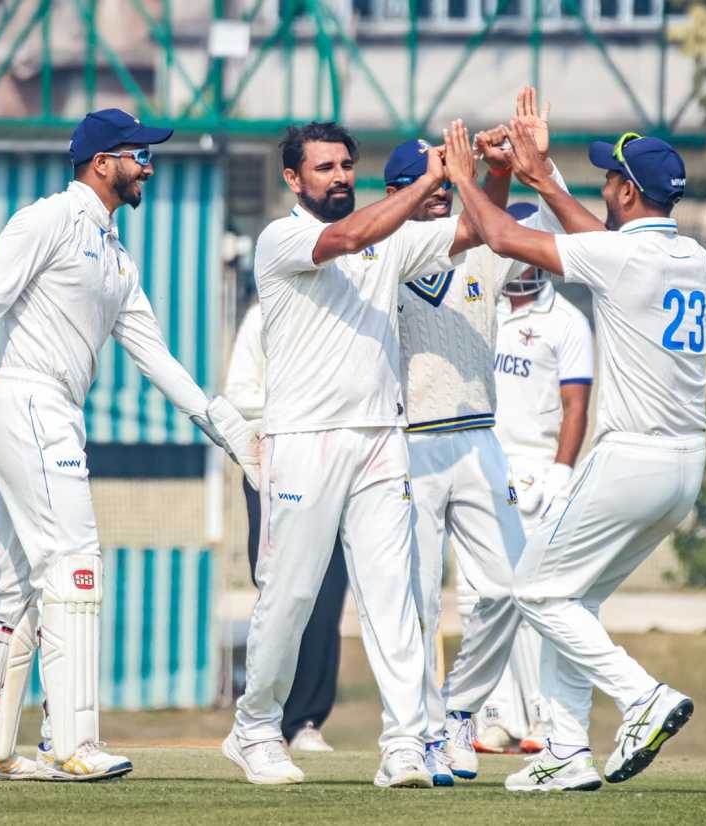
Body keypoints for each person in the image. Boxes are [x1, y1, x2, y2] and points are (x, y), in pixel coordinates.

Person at [0, 109, 257, 782]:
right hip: (27, 401)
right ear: (102, 162)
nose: (148, 167)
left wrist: (230, 430)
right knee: (74, 563)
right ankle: (71, 741)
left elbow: (155, 357)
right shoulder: (46, 220)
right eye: (139, 156)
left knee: (14, 580)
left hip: (54, 412)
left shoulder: (116, 257)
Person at [223, 120, 493, 789]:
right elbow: (348, 238)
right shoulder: (282, 238)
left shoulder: (391, 240)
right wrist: (434, 177)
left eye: (347, 166)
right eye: (324, 168)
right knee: (290, 596)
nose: (339, 177)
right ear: (294, 178)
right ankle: (255, 727)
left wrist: (481, 170)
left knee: (393, 596)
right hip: (302, 441)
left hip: (379, 439)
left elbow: (473, 232)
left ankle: (404, 742)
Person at [441, 118, 706, 791]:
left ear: (622, 191)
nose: (605, 185)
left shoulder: (620, 258)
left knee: (532, 588)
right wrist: (543, 178)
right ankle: (565, 751)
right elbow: (600, 246)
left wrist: (461, 178)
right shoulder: (690, 258)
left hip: (632, 461)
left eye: (608, 177)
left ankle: (642, 696)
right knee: (572, 599)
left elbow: (502, 238)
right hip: (683, 468)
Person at [389, 88, 569, 784]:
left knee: (505, 590)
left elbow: (487, 224)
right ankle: (420, 733)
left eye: (443, 187)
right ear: (399, 194)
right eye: (426, 187)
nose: (439, 199)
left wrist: (494, 165)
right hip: (408, 443)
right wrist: (459, 177)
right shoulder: (384, 256)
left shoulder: (481, 249)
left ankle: (459, 714)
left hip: (477, 436)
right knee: (414, 600)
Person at [469, 224, 593, 754]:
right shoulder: (482, 304)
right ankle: (496, 714)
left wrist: (561, 472)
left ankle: (544, 717)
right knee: (480, 594)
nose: (517, 267)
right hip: (481, 458)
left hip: (535, 469)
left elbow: (575, 405)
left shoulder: (567, 320)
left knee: (531, 595)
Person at [224, 301, 348, 753]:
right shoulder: (263, 315)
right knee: (278, 592)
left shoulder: (343, 315)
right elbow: (238, 393)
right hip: (274, 467)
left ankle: (306, 720)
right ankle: (262, 719)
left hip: (334, 467)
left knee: (327, 594)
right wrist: (300, 409)